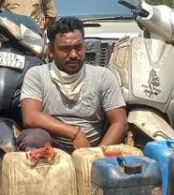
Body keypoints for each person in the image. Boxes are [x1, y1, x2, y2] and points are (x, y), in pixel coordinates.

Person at [17, 16, 127, 152]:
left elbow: (119, 122)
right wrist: (74, 133)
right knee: (33, 138)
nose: (74, 55)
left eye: (78, 47)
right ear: (51, 50)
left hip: (92, 148)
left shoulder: (103, 76)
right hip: (50, 149)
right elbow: (31, 117)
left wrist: (95, 155)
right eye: (65, 49)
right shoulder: (37, 75)